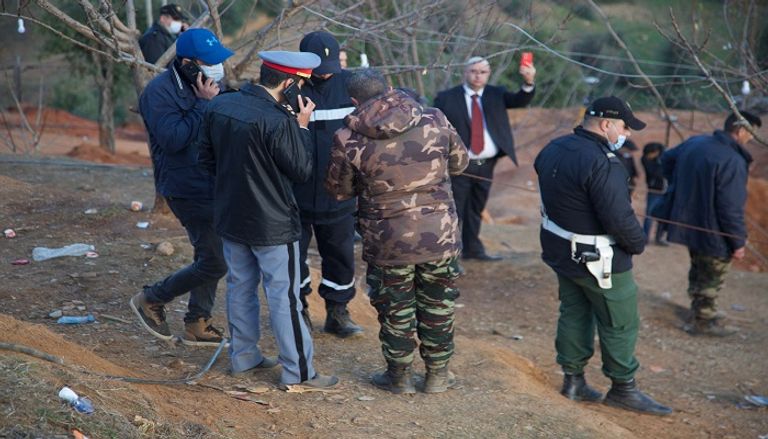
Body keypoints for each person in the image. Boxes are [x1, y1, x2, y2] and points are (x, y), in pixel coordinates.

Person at [197, 50, 338, 388]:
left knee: (239, 287)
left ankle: (243, 358)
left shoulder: (219, 105)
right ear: (289, 83)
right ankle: (299, 371)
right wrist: (301, 127)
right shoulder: (279, 120)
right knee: (283, 297)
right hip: (273, 223)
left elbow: (205, 159)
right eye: (301, 83)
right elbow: (302, 170)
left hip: (232, 216)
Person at [325, 69, 468, 394]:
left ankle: (399, 377)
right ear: (389, 88)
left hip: (386, 241)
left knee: (395, 308)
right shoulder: (435, 118)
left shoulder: (346, 138)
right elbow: (460, 164)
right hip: (440, 235)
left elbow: (338, 191)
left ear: (353, 101)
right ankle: (437, 375)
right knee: (439, 305)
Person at [534, 96, 672, 415]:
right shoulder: (604, 162)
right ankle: (623, 388)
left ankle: (573, 380)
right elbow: (620, 218)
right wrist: (637, 244)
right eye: (624, 126)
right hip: (599, 258)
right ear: (606, 124)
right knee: (620, 322)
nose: (627, 134)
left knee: (574, 311)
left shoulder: (553, 147)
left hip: (559, 249)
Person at [131, 29, 232, 347]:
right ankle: (150, 298)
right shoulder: (158, 93)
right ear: (188, 63)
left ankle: (197, 321)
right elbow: (172, 139)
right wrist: (204, 105)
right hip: (184, 186)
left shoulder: (209, 85)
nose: (217, 69)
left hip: (213, 182)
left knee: (213, 253)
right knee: (216, 260)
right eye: (210, 62)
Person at [662, 111, 761, 337]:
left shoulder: (696, 143)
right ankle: (703, 322)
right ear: (741, 130)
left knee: (698, 266)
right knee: (712, 274)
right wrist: (737, 242)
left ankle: (698, 312)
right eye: (751, 133)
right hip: (715, 229)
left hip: (690, 222)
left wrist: (680, 186)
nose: (752, 139)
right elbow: (730, 208)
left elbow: (667, 159)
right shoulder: (733, 160)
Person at [294, 31, 362, 338]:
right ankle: (299, 312)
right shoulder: (289, 87)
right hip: (295, 193)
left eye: (330, 64)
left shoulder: (351, 86)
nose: (326, 71)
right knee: (293, 258)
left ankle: (338, 312)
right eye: (319, 65)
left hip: (339, 193)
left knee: (340, 255)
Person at [434, 56, 535, 261]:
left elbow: (520, 100)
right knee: (455, 210)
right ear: (465, 72)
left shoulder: (495, 94)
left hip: (487, 164)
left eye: (482, 72)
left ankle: (473, 250)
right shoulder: (446, 98)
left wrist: (528, 82)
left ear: (488, 74)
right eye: (473, 71)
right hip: (459, 165)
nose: (478, 75)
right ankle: (449, 254)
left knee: (476, 207)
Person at [641, 142, 667, 245]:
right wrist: (659, 162)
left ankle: (659, 238)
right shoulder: (646, 160)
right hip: (654, 190)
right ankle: (645, 237)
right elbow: (656, 173)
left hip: (665, 190)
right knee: (649, 215)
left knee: (664, 216)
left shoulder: (663, 158)